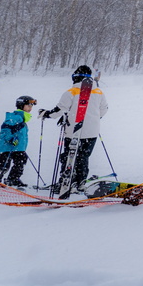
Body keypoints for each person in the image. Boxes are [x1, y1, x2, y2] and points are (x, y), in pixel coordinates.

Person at [40, 65, 108, 193]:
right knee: (84, 157)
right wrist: (92, 118)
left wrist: (46, 114)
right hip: (92, 132)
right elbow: (104, 109)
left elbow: (59, 110)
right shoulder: (98, 92)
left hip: (73, 132)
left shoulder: (71, 92)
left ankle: (66, 182)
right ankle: (80, 181)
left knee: (69, 157)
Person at [0, 95, 37, 188]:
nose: (30, 108)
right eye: (28, 106)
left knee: (21, 161)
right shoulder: (15, 117)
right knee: (4, 164)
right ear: (21, 105)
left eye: (31, 106)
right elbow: (5, 130)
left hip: (18, 147)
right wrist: (10, 139)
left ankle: (13, 179)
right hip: (8, 146)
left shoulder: (22, 118)